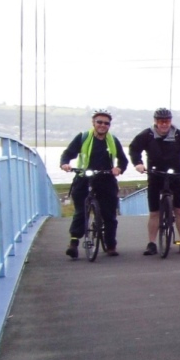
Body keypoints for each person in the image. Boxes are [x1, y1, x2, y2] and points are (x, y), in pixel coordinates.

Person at [128, 107, 180, 256]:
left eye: (167, 121)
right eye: (161, 121)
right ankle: (151, 243)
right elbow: (134, 148)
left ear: (171, 121)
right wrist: (138, 163)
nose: (164, 124)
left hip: (176, 176)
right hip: (155, 175)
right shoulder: (147, 135)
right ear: (155, 121)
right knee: (154, 212)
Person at [59, 109, 129, 258]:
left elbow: (123, 160)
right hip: (84, 177)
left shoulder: (113, 140)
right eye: (99, 122)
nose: (103, 125)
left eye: (106, 123)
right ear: (93, 123)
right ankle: (73, 243)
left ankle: (111, 245)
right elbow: (68, 153)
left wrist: (119, 169)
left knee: (109, 215)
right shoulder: (83, 137)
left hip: (106, 179)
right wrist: (65, 164)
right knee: (81, 211)